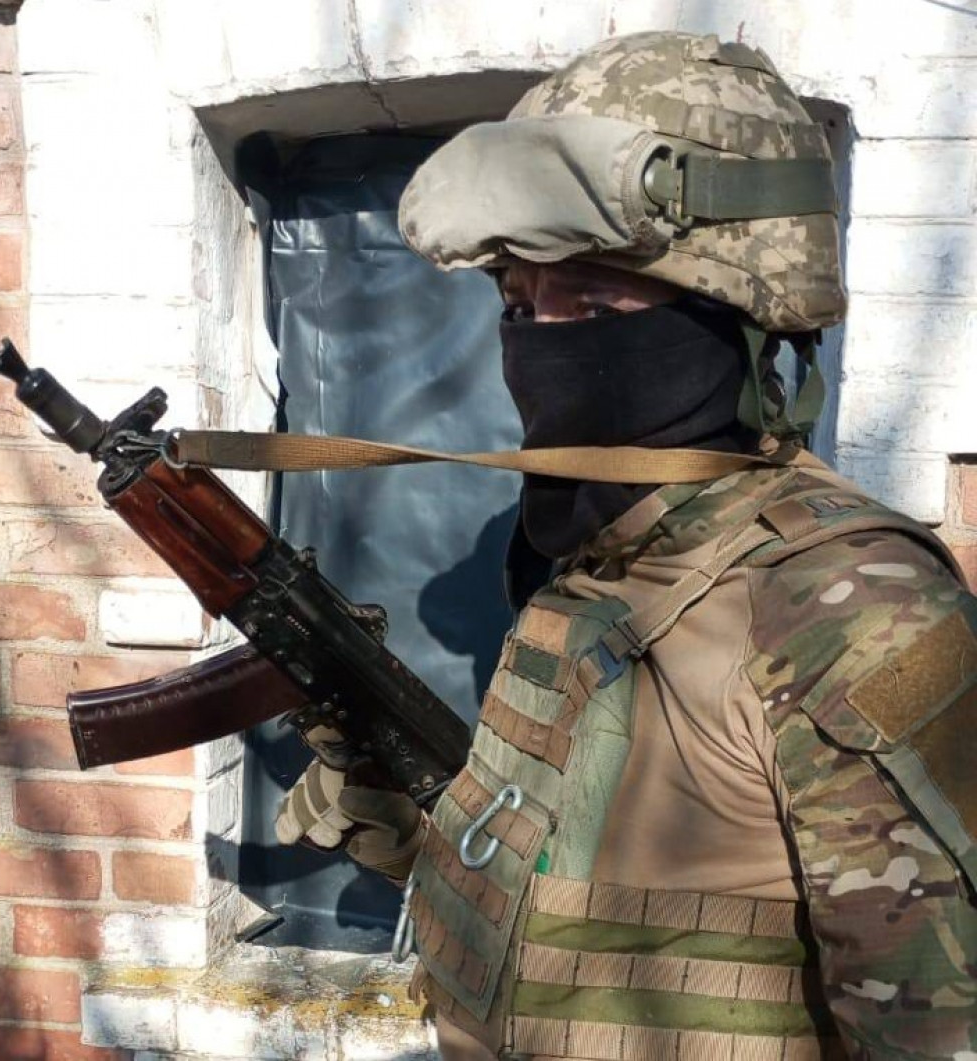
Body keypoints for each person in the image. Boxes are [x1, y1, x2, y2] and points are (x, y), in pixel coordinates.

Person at [275, 31, 977, 1060]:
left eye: (596, 301)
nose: (541, 339)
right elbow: (569, 928)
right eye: (519, 303)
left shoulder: (852, 607)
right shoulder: (599, 560)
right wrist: (416, 818)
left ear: (743, 316)